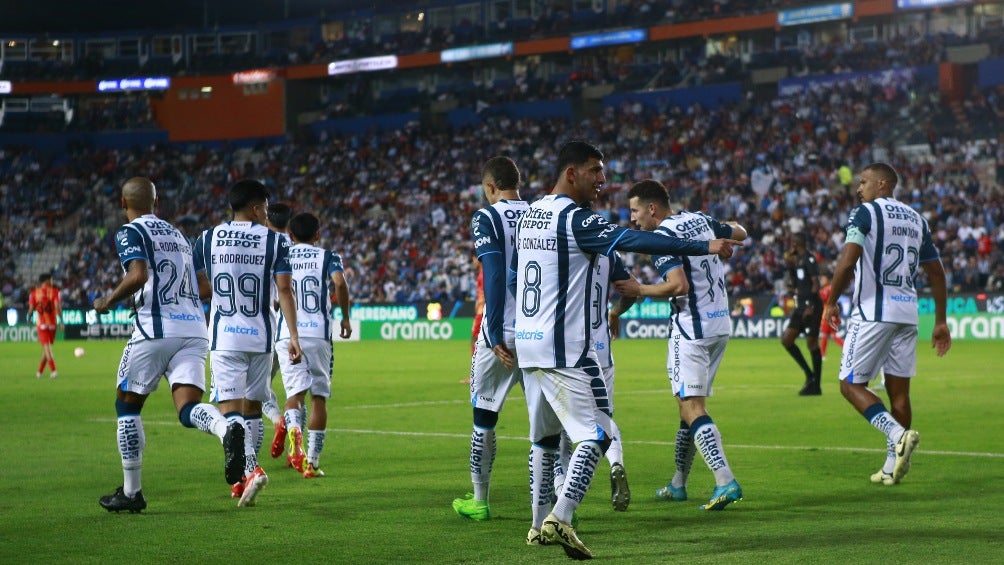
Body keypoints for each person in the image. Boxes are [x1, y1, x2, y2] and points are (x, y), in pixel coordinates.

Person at [514, 142, 741, 559]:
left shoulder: (530, 215)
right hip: (567, 348)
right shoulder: (576, 219)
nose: (603, 179)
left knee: (544, 440)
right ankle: (561, 516)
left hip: (528, 342)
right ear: (571, 173)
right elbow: (635, 240)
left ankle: (536, 525)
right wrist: (704, 246)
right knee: (598, 434)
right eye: (595, 171)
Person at [95, 177, 244, 513]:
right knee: (188, 408)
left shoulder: (130, 232)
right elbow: (204, 286)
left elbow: (138, 275)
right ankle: (226, 428)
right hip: (194, 329)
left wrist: (108, 300)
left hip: (155, 330)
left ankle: (132, 493)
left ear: (123, 203)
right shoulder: (179, 236)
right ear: (156, 202)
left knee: (127, 406)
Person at [616, 179, 748, 512]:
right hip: (719, 325)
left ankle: (725, 480)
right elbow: (741, 232)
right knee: (686, 407)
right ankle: (678, 484)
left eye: (634, 211)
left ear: (651, 208)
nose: (632, 219)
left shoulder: (661, 237)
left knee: (692, 407)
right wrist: (724, 233)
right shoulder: (699, 219)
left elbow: (678, 285)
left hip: (691, 328)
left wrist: (639, 290)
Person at [822, 162, 951, 486]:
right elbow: (937, 273)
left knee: (850, 385)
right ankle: (893, 466)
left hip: (873, 312)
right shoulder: (917, 219)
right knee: (900, 394)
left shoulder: (865, 213)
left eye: (864, 181)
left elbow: (848, 261)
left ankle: (897, 435)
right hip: (907, 315)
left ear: (882, 184)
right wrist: (940, 321)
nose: (858, 188)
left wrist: (831, 301)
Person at [193, 179, 303, 507]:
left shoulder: (207, 238)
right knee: (253, 408)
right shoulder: (276, 241)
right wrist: (293, 336)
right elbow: (285, 291)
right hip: (262, 337)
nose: (267, 214)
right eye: (265, 208)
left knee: (230, 412)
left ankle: (251, 470)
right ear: (255, 208)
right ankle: (244, 480)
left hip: (225, 336)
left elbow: (199, 285)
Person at [452, 156, 529, 521]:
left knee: (484, 416)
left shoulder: (487, 216)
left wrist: (495, 328)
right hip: (540, 333)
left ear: (490, 187)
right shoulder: (541, 214)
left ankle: (480, 501)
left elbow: (495, 274)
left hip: (502, 332)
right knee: (548, 424)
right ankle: (560, 507)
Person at [553, 250, 633, 513]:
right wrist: (614, 313)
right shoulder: (610, 252)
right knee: (603, 416)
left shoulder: (563, 246)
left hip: (569, 347)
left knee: (561, 424)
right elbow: (632, 291)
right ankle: (616, 462)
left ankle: (562, 492)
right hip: (602, 349)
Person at [274, 212, 352, 478]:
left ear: (291, 235)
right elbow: (340, 283)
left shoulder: (281, 256)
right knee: (318, 398)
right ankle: (312, 464)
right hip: (318, 334)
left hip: (287, 333)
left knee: (294, 397)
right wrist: (346, 318)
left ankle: (294, 433)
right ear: (317, 235)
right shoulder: (328, 256)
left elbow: (277, 294)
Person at [261, 202, 293, 461]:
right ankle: (297, 448)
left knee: (256, 387)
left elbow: (278, 292)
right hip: (295, 330)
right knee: (297, 392)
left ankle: (276, 419)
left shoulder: (265, 244)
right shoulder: (297, 247)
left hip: (268, 326)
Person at [781, 232, 824, 396]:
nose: (790, 246)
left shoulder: (809, 259)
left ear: (796, 244)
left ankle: (816, 386)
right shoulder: (796, 261)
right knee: (787, 340)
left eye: (792, 243)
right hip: (800, 307)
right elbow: (794, 282)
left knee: (812, 342)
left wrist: (810, 305)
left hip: (811, 306)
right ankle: (809, 375)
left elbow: (816, 284)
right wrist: (788, 264)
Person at [27, 273, 62, 379]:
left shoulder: (34, 293)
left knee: (46, 349)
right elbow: (57, 307)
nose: (52, 281)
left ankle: (39, 372)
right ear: (46, 280)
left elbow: (31, 309)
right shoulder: (55, 291)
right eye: (51, 280)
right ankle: (53, 370)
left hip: (41, 324)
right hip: (52, 324)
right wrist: (61, 321)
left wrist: (29, 318)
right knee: (47, 348)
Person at [817, 273, 844, 360]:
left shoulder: (827, 289)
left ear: (828, 280)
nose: (822, 281)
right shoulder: (832, 288)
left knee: (825, 335)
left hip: (828, 315)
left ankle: (822, 354)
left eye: (823, 279)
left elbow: (822, 298)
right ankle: (845, 348)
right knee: (833, 335)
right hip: (833, 315)